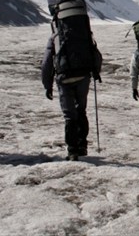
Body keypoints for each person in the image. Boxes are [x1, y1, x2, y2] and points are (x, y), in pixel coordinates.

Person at [41, 29, 102, 161]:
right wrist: (96, 72)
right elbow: (96, 54)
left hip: (64, 78)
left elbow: (46, 62)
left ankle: (72, 151)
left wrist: (47, 85)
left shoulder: (55, 37)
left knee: (69, 115)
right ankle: (82, 146)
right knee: (81, 110)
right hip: (83, 77)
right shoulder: (83, 31)